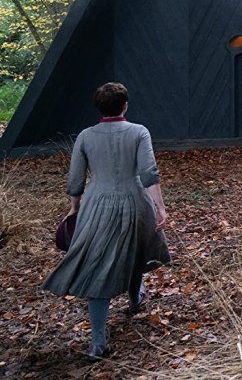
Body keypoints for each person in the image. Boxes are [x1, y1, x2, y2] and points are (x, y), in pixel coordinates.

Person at [43, 82, 170, 358]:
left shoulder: (86, 137)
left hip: (97, 202)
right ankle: (135, 300)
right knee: (136, 248)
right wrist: (159, 207)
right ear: (125, 105)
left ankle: (99, 341)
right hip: (135, 199)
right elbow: (149, 172)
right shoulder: (139, 132)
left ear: (98, 107)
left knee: (97, 265)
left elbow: (75, 179)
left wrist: (74, 208)